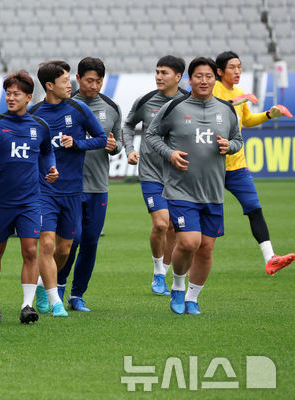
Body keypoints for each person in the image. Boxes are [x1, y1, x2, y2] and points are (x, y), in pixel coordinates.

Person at [146, 57, 243, 315]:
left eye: (208, 76)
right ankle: (178, 286)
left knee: (206, 249)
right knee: (189, 243)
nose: (203, 80)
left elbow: (237, 140)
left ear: (215, 79)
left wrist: (229, 146)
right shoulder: (174, 107)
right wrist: (170, 154)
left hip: (212, 191)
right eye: (198, 76)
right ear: (190, 79)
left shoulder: (226, 110)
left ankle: (192, 297)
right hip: (181, 189)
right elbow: (151, 136)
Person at [0, 71, 61, 324]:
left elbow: (47, 152)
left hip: (30, 200)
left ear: (29, 97)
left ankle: (27, 305)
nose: (11, 97)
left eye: (16, 93)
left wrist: (51, 167)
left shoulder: (40, 127)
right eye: (8, 93)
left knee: (30, 251)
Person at [29, 60, 107, 312]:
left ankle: (43, 284)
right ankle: (54, 301)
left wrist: (77, 144)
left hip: (74, 189)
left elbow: (101, 139)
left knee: (64, 248)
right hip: (44, 191)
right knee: (48, 244)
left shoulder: (79, 109)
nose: (69, 85)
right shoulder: (34, 114)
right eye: (64, 82)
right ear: (50, 86)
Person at [48, 57, 121, 311]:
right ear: (78, 79)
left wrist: (115, 147)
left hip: (99, 185)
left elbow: (117, 141)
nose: (95, 85)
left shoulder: (111, 108)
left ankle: (77, 295)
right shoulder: (66, 105)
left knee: (90, 241)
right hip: (70, 186)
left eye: (99, 81)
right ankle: (56, 285)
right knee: (72, 239)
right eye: (89, 80)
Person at [213, 51, 295, 275]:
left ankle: (271, 258)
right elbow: (216, 108)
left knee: (254, 208)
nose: (237, 71)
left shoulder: (240, 93)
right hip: (211, 166)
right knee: (209, 219)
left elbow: (246, 120)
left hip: (237, 165)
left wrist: (270, 114)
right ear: (219, 71)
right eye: (232, 67)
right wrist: (239, 100)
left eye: (239, 66)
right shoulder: (211, 90)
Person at [123, 55, 188, 295]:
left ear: (178, 77)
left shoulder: (188, 102)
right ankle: (158, 271)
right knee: (161, 224)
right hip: (151, 172)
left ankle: (163, 272)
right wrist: (130, 149)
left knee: (173, 228)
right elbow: (128, 125)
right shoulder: (146, 100)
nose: (159, 76)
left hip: (179, 175)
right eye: (157, 72)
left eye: (165, 73)